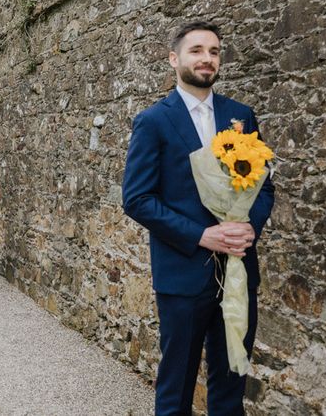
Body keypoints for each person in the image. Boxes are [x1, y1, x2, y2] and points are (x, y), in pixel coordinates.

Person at [122, 21, 275, 415]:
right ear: (174, 59)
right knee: (177, 386)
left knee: (230, 386)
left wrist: (248, 228)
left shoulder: (241, 116)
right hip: (184, 273)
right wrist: (201, 235)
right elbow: (137, 199)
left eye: (214, 51)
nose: (207, 59)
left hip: (239, 272)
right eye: (197, 51)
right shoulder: (153, 121)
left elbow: (265, 187)